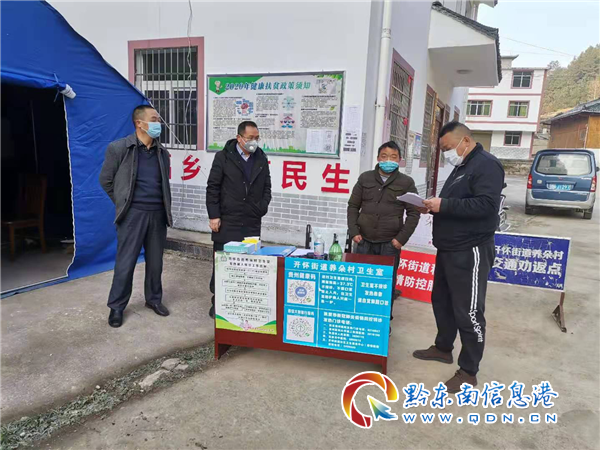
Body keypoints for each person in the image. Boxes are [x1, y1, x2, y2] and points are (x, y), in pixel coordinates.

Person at [413, 121, 504, 393]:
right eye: (443, 149)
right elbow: (458, 203)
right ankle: (443, 348)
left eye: (448, 148)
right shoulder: (462, 166)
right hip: (449, 248)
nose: (446, 154)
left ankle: (468, 371)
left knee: (469, 311)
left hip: (471, 249)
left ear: (464, 140)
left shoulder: (487, 165)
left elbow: (487, 205)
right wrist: (433, 207)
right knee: (442, 300)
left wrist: (444, 204)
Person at [99, 105, 172, 328]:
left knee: (156, 262)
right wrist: (124, 203)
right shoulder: (119, 148)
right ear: (139, 123)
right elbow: (106, 180)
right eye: (154, 119)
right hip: (133, 215)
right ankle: (117, 307)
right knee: (126, 263)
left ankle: (154, 299)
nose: (158, 123)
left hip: (157, 215)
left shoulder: (162, 152)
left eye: (158, 120)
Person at [347, 141, 421, 325]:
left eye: (393, 157)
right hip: (363, 241)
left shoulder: (406, 182)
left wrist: (400, 239)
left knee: (385, 284)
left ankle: (382, 322)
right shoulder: (365, 178)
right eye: (385, 156)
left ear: (399, 160)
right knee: (361, 280)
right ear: (378, 158)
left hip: (389, 243)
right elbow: (353, 206)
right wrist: (354, 232)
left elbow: (414, 213)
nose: (389, 160)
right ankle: (359, 319)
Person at [206, 121, 272, 318]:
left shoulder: (260, 157)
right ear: (239, 138)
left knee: (248, 263)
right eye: (250, 138)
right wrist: (214, 215)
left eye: (257, 138)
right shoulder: (223, 157)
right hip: (228, 219)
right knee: (223, 263)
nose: (254, 142)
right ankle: (218, 302)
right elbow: (213, 187)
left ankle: (241, 303)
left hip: (252, 220)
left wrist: (262, 207)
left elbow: (267, 186)